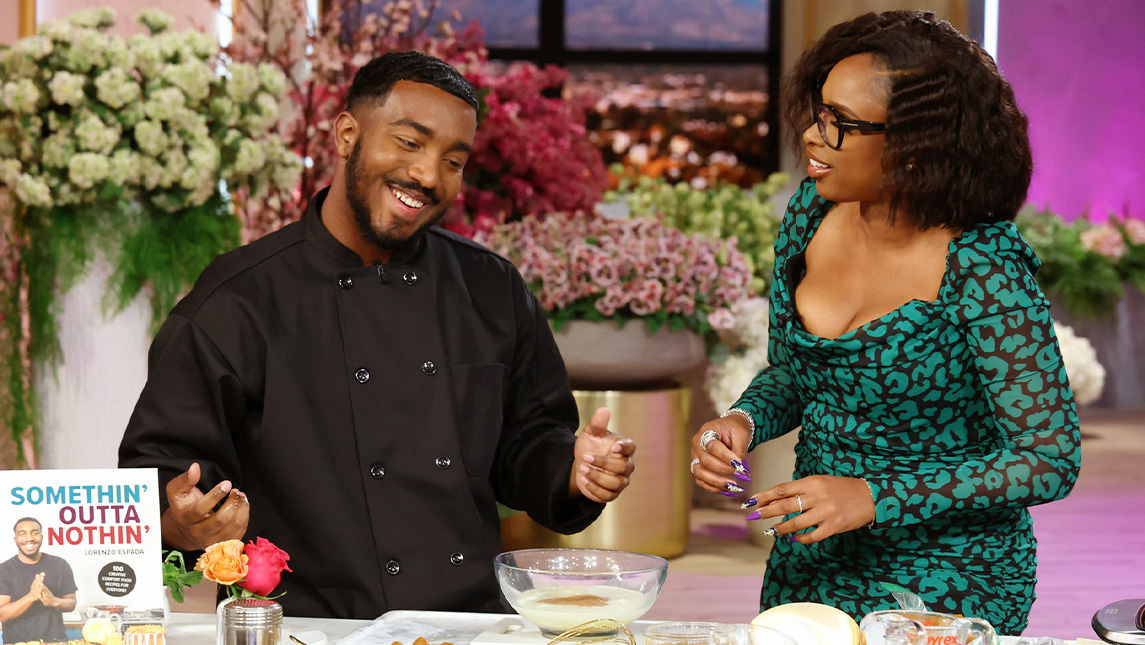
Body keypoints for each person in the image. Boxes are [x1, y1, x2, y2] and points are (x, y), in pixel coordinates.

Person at [118, 51, 636, 619]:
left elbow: (530, 440)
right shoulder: (239, 298)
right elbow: (163, 466)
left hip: (472, 621)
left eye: (453, 160)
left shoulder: (491, 287)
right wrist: (184, 519)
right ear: (346, 134)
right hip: (306, 625)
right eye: (410, 143)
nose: (428, 176)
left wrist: (573, 470)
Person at [689, 11, 1080, 635]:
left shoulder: (983, 263)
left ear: (915, 145)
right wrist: (741, 421)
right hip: (814, 555)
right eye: (819, 111)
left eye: (840, 124)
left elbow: (1048, 457)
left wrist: (873, 495)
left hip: (950, 566)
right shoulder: (810, 216)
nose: (814, 137)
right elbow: (796, 372)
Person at [0, 518, 78, 644]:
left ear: (41, 537)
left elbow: (72, 603)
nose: (29, 538)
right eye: (22, 534)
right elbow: (2, 614)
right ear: (15, 539)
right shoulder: (4, 570)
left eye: (35, 533)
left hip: (55, 641)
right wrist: (31, 596)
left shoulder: (60, 565)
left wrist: (54, 601)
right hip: (17, 642)